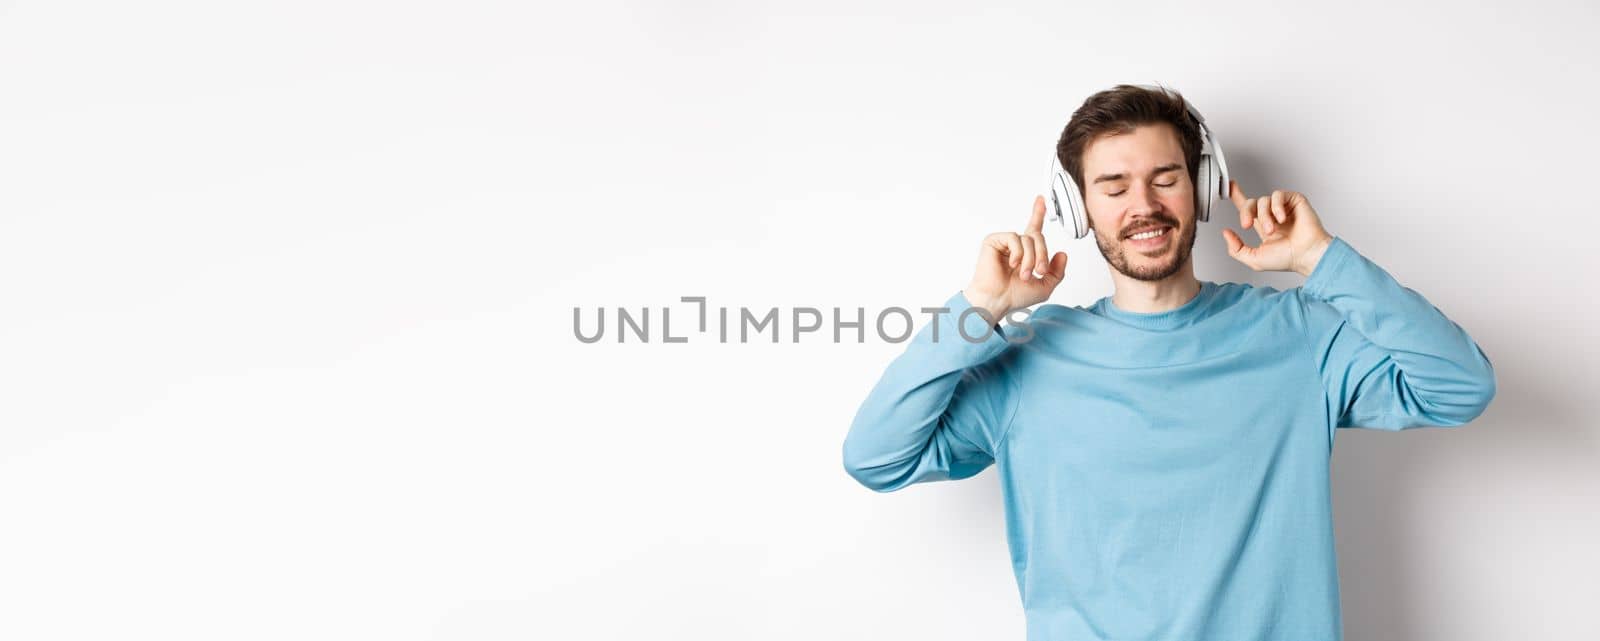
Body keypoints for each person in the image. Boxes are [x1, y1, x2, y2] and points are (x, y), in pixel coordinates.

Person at [839, 84, 1497, 641]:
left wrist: (1323, 261)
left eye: (1165, 178)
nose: (1144, 206)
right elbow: (875, 455)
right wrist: (978, 307)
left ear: (1200, 187)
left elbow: (1461, 384)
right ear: (1079, 207)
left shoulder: (1297, 334)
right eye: (1113, 185)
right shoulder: (1028, 357)